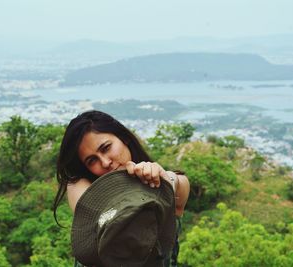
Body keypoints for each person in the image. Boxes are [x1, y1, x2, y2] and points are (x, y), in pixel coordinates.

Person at [53, 110, 190, 266]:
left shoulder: (155, 179)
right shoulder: (80, 186)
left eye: (106, 148)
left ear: (123, 137)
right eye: (92, 160)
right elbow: (96, 209)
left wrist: (164, 179)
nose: (105, 162)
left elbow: (180, 190)